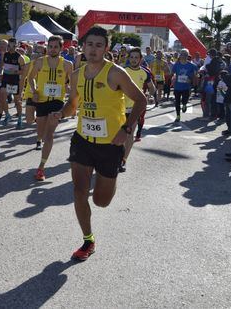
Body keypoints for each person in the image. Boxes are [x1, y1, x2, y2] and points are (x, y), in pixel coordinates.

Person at [52, 26, 146, 261]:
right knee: (79, 191)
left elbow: (141, 100)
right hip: (83, 140)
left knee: (101, 201)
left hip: (110, 145)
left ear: (105, 48)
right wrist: (60, 114)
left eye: (98, 45)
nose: (93, 49)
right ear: (83, 47)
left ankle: (115, 170)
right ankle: (88, 240)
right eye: (89, 45)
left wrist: (126, 130)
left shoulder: (115, 73)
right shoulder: (76, 75)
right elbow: (73, 106)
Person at [28, 35, 73, 181]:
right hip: (41, 100)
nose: (52, 49)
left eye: (55, 47)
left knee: (49, 134)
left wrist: (71, 94)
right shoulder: (40, 62)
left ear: (61, 48)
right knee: (40, 132)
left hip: (57, 102)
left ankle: (41, 168)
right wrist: (34, 91)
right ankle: (38, 138)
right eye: (50, 46)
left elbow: (71, 83)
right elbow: (31, 78)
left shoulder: (67, 65)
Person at [121, 48, 155, 172]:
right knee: (117, 135)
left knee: (129, 135)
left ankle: (123, 160)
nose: (134, 60)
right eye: (132, 57)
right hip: (119, 108)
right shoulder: (123, 71)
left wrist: (149, 96)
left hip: (135, 109)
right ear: (128, 58)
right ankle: (115, 157)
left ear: (140, 59)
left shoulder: (145, 72)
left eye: (136, 57)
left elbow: (152, 88)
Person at [0, 38, 26, 129]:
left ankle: (19, 119)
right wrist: (1, 72)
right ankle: (7, 115)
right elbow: (2, 66)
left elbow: (23, 71)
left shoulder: (20, 57)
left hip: (14, 80)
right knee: (2, 97)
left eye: (13, 46)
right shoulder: (5, 55)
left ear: (17, 46)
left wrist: (15, 72)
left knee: (17, 101)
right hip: (6, 79)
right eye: (9, 46)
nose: (11, 48)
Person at [171, 49, 197, 122]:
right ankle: (178, 116)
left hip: (186, 87)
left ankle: (185, 104)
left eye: (185, 54)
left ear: (187, 56)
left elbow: (196, 74)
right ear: (180, 55)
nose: (183, 56)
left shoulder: (191, 65)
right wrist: (173, 77)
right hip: (177, 86)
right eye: (182, 54)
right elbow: (172, 73)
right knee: (177, 102)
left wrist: (191, 79)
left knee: (184, 100)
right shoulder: (177, 64)